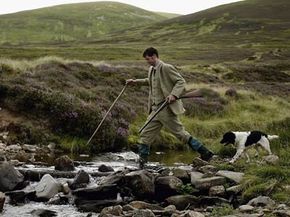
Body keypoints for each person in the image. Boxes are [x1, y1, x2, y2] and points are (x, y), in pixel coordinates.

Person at [126, 47, 213, 168]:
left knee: (180, 134)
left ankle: (206, 153)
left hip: (166, 109)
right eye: (146, 60)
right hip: (155, 109)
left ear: (154, 56)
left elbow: (180, 81)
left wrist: (173, 94)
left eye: (148, 59)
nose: (147, 62)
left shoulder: (166, 67)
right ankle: (142, 163)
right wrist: (135, 82)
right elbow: (150, 81)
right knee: (145, 134)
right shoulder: (151, 69)